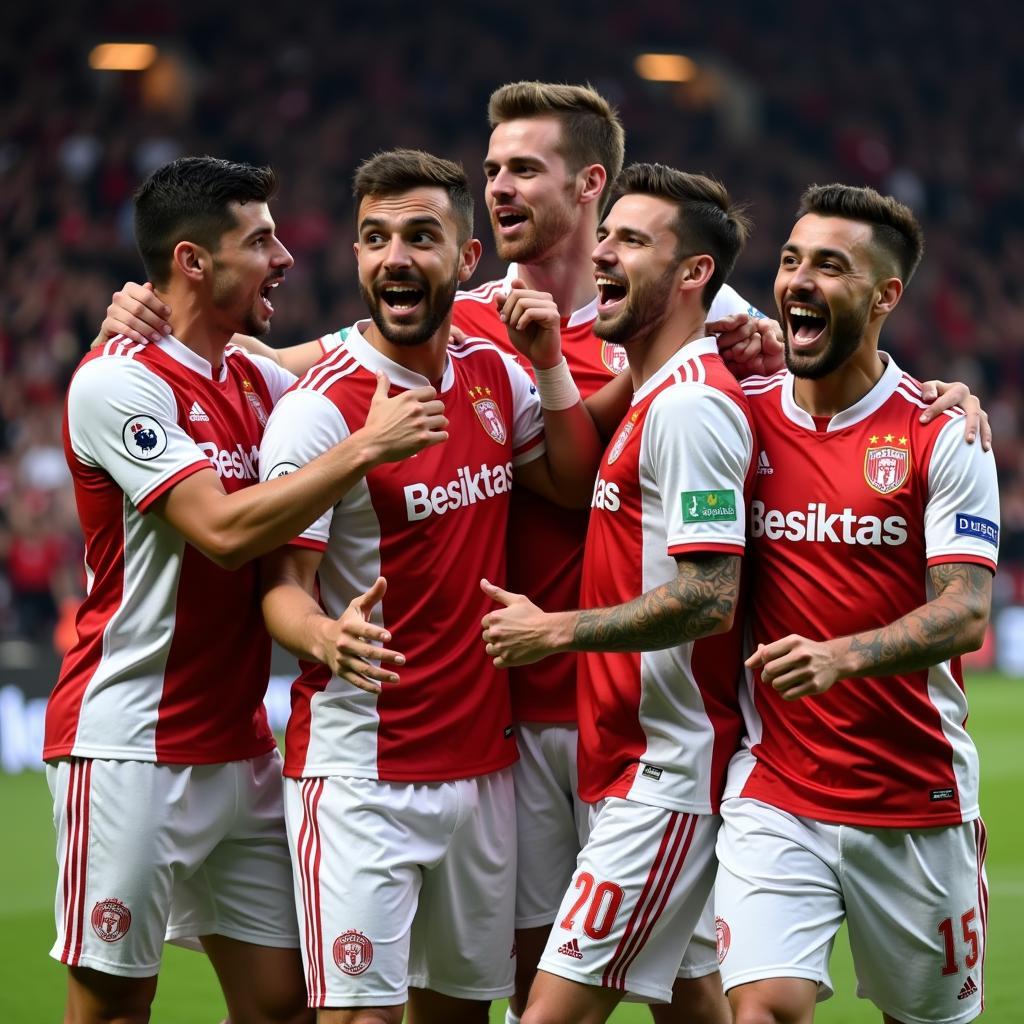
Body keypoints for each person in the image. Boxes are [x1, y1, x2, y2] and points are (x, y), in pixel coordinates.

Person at [45, 156, 447, 1024]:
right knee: (115, 1005)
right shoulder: (119, 382)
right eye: (260, 240)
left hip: (240, 748)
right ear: (194, 261)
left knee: (286, 1006)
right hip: (129, 749)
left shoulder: (259, 381)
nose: (285, 257)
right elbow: (224, 532)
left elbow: (358, 347)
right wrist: (361, 449)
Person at [256, 148, 604, 1024]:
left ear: (467, 260)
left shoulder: (494, 375)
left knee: (459, 1014)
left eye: (421, 235)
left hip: (484, 770)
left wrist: (566, 361)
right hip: (363, 771)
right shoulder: (321, 410)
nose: (395, 257)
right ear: (357, 256)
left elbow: (569, 482)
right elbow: (282, 588)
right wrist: (323, 636)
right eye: (375, 238)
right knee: (361, 1017)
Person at [454, 81, 777, 1024]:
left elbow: (709, 594)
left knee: (547, 1011)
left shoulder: (691, 398)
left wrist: (555, 630)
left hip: (662, 766)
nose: (607, 255)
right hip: (604, 747)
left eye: (630, 243)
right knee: (686, 996)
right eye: (493, 169)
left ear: (692, 278)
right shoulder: (643, 388)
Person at [715, 184, 999, 1024]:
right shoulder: (738, 418)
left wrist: (842, 655)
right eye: (791, 260)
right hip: (777, 789)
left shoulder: (944, 433)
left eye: (830, 267)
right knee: (762, 1006)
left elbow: (967, 609)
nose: (798, 280)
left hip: (915, 801)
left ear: (885, 297)